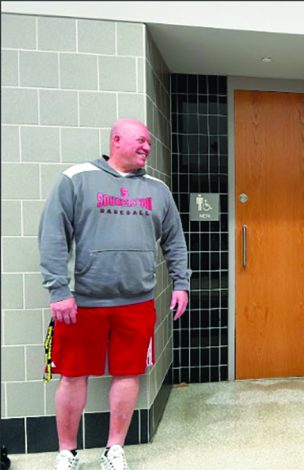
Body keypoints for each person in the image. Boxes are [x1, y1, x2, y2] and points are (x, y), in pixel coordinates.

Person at [39, 119, 191, 470]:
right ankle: (67, 452)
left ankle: (114, 450)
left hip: (137, 301)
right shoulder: (76, 179)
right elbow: (52, 236)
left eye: (149, 142)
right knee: (73, 375)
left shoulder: (158, 190)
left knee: (128, 373)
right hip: (81, 302)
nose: (147, 148)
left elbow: (174, 241)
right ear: (116, 140)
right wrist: (59, 289)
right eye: (140, 140)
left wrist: (181, 283)